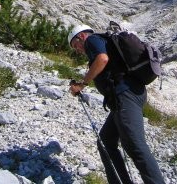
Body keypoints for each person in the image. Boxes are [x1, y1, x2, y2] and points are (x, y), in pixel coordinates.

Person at [68, 24, 165, 184]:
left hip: (125, 95)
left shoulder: (91, 40)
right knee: (106, 141)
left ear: (81, 36)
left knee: (135, 145)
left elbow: (102, 59)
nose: (77, 49)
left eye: (75, 45)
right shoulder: (102, 41)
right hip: (126, 95)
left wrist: (82, 84)